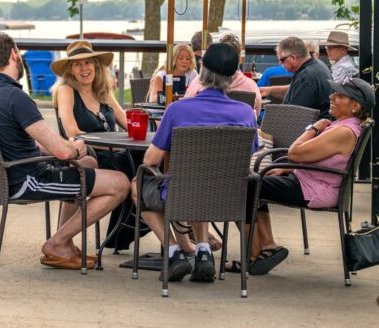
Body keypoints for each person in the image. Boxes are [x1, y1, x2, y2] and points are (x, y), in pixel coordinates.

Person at [0, 32, 129, 270]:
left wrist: (72, 152)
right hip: (28, 180)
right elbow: (63, 153)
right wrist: (74, 148)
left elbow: (25, 141)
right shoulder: (15, 97)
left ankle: (63, 242)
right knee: (121, 183)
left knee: (88, 164)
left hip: (0, 178)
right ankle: (57, 243)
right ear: (14, 54)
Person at [135, 42, 259, 284]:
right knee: (199, 181)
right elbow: (249, 155)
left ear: (201, 71)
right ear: (233, 76)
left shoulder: (178, 110)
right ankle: (203, 251)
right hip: (229, 197)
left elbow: (151, 160)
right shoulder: (246, 113)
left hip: (183, 192)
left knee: (137, 185)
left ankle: (173, 251)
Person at [238, 77, 372, 276]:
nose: (332, 97)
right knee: (255, 182)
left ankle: (252, 255)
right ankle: (266, 247)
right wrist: (289, 169)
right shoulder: (343, 125)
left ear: (355, 106)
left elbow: (294, 153)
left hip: (315, 190)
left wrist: (314, 128)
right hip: (312, 182)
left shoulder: (343, 131)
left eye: (339, 95)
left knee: (246, 186)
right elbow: (321, 159)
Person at [51, 40, 127, 166]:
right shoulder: (66, 90)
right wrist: (114, 145)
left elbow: (128, 123)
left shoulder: (103, 92)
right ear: (71, 70)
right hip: (87, 157)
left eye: (88, 62)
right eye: (77, 64)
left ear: (95, 66)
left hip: (115, 153)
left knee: (148, 153)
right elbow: (73, 133)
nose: (84, 68)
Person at [184, 33, 263, 115]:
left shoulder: (198, 84)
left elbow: (186, 105)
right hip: (240, 125)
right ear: (237, 59)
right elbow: (256, 112)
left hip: (201, 125)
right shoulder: (250, 86)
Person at [260, 36, 333, 118]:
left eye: (282, 60)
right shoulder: (317, 65)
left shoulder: (306, 77)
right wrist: (270, 90)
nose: (280, 64)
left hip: (309, 127)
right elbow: (295, 89)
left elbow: (293, 117)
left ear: (293, 58)